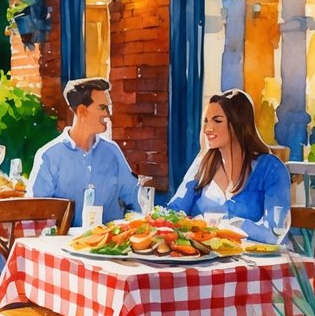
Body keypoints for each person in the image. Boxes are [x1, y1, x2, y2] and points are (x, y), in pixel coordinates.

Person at [167, 89, 290, 243]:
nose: (207, 129)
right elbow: (174, 213)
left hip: (261, 263)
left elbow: (274, 233)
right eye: (206, 121)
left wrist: (229, 225)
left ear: (238, 123)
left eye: (217, 121)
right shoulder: (203, 165)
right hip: (209, 261)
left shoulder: (271, 169)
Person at [29, 77, 142, 226]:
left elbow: (135, 204)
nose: (107, 115)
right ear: (82, 111)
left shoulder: (112, 152)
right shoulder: (49, 156)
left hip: (109, 245)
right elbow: (36, 213)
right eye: (102, 108)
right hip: (63, 246)